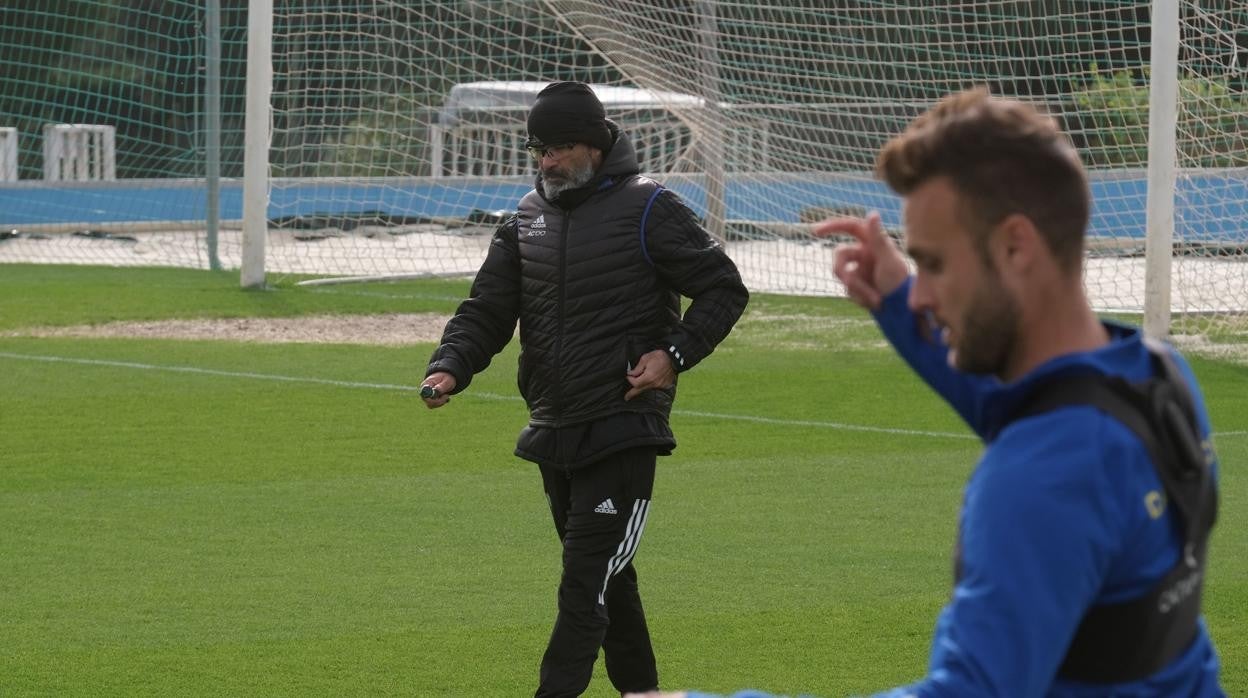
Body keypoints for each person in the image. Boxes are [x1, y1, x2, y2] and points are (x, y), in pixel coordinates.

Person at [626, 88, 1224, 697]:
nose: (921, 295)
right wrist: (891, 299)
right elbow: (1029, 400)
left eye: (934, 264)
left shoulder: (1041, 478)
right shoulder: (1154, 376)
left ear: (1016, 246)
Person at [422, 80, 749, 698]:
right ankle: (643, 693)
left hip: (624, 424)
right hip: (553, 426)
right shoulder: (525, 219)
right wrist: (451, 367)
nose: (546, 161)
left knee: (584, 582)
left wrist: (674, 356)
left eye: (560, 148)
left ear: (595, 145)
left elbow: (724, 288)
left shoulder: (650, 206)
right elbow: (487, 310)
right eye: (539, 149)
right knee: (606, 579)